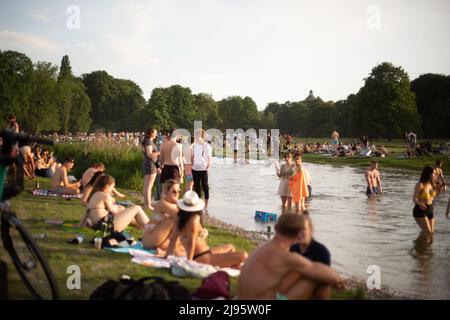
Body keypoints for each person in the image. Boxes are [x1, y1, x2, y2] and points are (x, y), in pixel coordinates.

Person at [237, 213, 344, 300]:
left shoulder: (263, 246)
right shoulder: (285, 256)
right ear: (299, 235)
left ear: (276, 227)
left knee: (311, 275)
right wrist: (338, 279)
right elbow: (330, 277)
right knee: (316, 279)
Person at [165, 191, 247, 268]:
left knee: (230, 247)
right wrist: (189, 262)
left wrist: (166, 256)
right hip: (202, 257)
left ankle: (233, 265)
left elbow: (173, 240)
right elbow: (191, 242)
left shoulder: (178, 219)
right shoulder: (195, 219)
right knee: (244, 255)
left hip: (205, 252)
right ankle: (234, 265)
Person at [81, 175, 149, 232]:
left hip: (98, 225)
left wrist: (80, 224)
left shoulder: (95, 195)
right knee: (137, 208)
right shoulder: (105, 196)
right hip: (107, 226)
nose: (112, 189)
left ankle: (140, 226)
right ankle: (151, 227)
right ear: (107, 186)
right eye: (112, 187)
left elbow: (87, 212)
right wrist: (119, 207)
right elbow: (114, 212)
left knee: (125, 211)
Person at [142, 179, 185, 256]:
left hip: (160, 238)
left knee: (186, 247)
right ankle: (167, 251)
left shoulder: (176, 205)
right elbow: (180, 216)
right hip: (149, 238)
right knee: (172, 220)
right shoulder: (162, 203)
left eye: (179, 191)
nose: (177, 194)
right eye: (174, 191)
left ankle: (163, 252)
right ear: (166, 191)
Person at [413, 166, 439, 236]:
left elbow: (431, 198)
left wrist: (439, 190)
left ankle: (423, 244)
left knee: (431, 233)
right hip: (420, 211)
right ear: (428, 174)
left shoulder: (432, 184)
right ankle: (420, 246)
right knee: (428, 233)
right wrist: (420, 203)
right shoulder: (420, 185)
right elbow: (414, 199)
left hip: (430, 210)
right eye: (433, 173)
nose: (435, 175)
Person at [192, 129, 212, 210]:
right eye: (196, 136)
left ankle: (206, 205)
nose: (196, 137)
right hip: (195, 169)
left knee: (205, 187)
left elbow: (209, 158)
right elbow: (193, 156)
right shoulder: (195, 145)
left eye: (198, 136)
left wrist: (208, 167)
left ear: (202, 137)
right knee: (197, 187)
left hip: (203, 169)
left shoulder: (207, 146)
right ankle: (198, 204)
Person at [142, 128, 160, 210]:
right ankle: (148, 205)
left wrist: (158, 166)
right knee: (148, 186)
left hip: (151, 165)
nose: (156, 134)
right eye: (155, 132)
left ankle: (147, 204)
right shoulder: (148, 142)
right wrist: (160, 152)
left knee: (147, 186)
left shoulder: (150, 141)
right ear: (151, 133)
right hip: (150, 165)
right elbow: (150, 155)